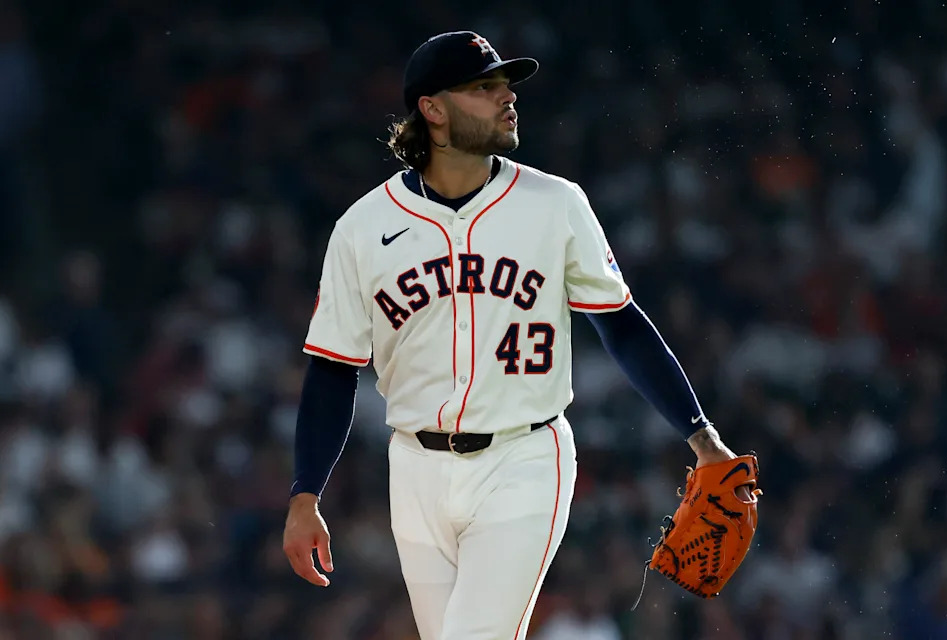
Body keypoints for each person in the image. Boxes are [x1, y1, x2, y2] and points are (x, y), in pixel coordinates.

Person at [282, 30, 746, 640]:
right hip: (415, 468)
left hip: (524, 457)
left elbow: (623, 327)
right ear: (433, 109)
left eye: (506, 85)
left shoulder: (555, 204)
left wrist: (702, 436)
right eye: (484, 87)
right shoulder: (363, 228)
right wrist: (304, 493)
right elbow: (334, 368)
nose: (507, 97)